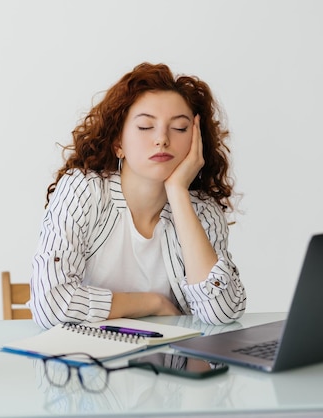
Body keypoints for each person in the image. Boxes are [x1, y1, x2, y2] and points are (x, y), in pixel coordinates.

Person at [29, 62, 246, 329]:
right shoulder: (85, 191)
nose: (162, 139)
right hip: (91, 360)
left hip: (172, 364)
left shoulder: (202, 211)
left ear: (196, 140)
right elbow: (50, 305)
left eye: (179, 128)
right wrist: (151, 304)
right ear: (118, 143)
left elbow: (222, 314)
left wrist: (178, 192)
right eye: (145, 127)